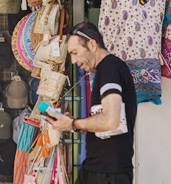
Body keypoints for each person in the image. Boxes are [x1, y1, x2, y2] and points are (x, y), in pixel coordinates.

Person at [43, 22, 137, 184]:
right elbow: (107, 128)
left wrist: (73, 123)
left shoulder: (110, 68)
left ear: (92, 45)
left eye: (75, 53)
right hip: (96, 168)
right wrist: (74, 124)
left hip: (109, 173)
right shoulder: (105, 70)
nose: (73, 60)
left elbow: (111, 121)